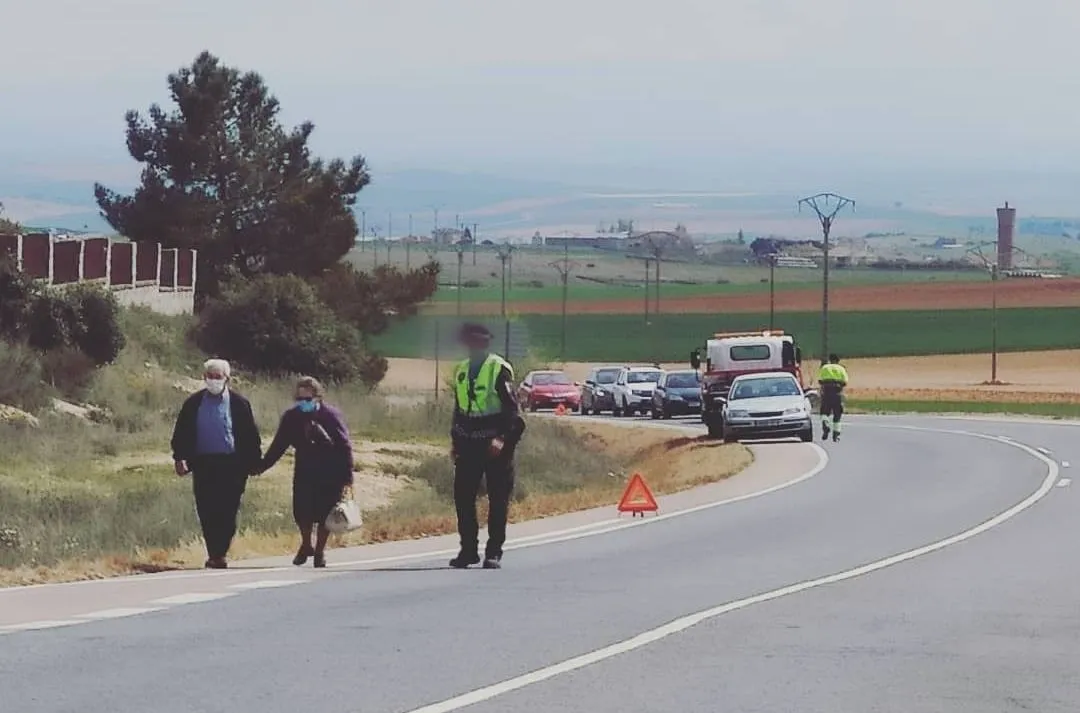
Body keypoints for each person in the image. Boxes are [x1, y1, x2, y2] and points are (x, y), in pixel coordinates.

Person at [170, 359, 263, 569]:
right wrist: (179, 458)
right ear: (204, 378)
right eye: (209, 376)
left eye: (217, 377)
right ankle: (215, 554)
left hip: (232, 464)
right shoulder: (193, 403)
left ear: (227, 379)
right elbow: (181, 433)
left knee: (228, 509)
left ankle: (221, 550)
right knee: (206, 508)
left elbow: (251, 435)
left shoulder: (239, 404)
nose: (213, 380)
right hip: (204, 463)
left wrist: (254, 462)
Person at [449, 323, 526, 570]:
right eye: (471, 341)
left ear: (485, 343)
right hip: (468, 442)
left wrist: (502, 438)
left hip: (495, 445)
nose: (475, 346)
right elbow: (459, 409)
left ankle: (493, 552)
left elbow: (512, 411)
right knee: (463, 497)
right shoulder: (461, 369)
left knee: (498, 498)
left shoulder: (498, 368)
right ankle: (468, 550)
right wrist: (455, 442)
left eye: (479, 342)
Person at [258, 376, 354, 569]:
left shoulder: (330, 416)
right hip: (305, 469)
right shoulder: (291, 417)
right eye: (300, 399)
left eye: (308, 399)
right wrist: (261, 466)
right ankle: (306, 544)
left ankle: (319, 551)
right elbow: (279, 445)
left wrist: (347, 477)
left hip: (330, 471)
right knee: (302, 511)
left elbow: (345, 447)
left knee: (326, 513)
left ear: (318, 397)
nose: (304, 403)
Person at [816, 353, 849, 442]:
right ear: (838, 360)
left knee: (824, 412)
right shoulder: (841, 368)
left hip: (826, 393)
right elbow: (845, 381)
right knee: (837, 415)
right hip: (837, 394)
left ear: (830, 360)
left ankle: (826, 422)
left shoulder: (825, 368)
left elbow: (820, 380)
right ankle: (836, 434)